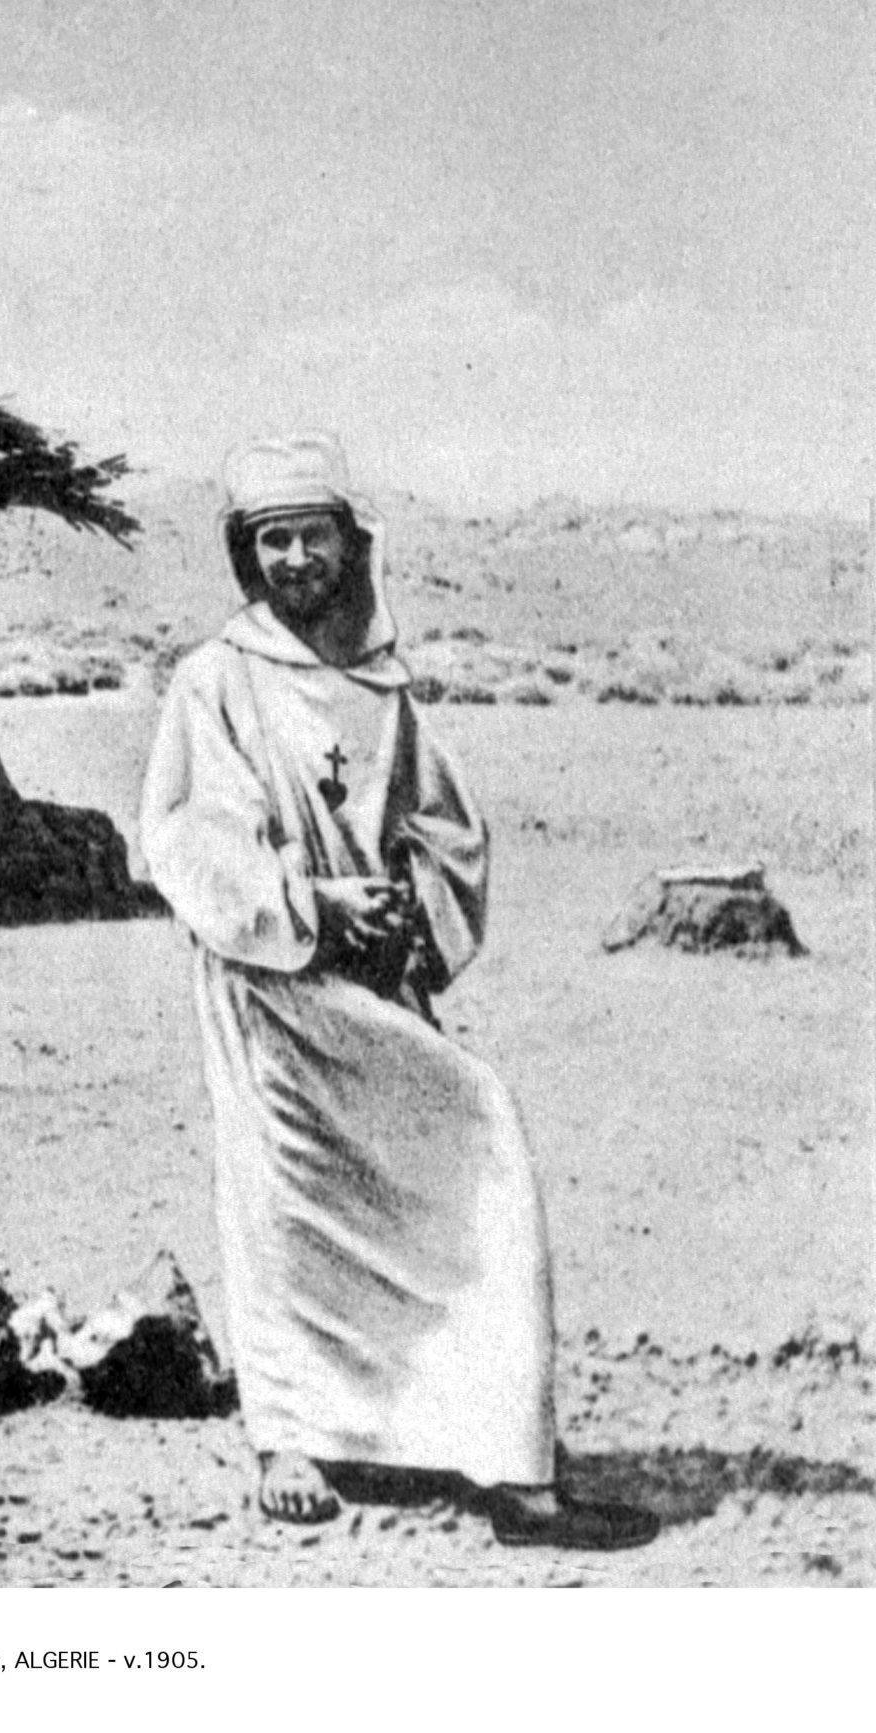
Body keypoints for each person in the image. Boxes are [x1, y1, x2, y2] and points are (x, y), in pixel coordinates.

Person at [139, 433, 658, 1550]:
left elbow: (447, 828)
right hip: (271, 986)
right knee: (289, 1203)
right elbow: (187, 836)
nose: (291, 559)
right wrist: (314, 903)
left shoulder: (382, 687)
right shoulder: (214, 680)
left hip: (373, 982)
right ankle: (290, 1436)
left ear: (348, 544)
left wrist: (404, 911)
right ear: (245, 554)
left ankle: (506, 1460)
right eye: (270, 540)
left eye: (309, 536)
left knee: (471, 1152)